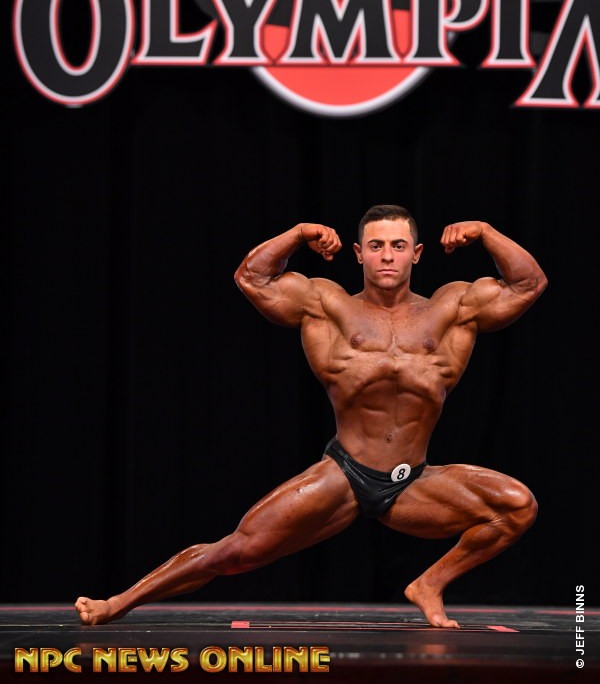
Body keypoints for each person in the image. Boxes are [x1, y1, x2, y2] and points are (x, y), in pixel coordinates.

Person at [75, 205, 547, 628]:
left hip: (413, 482)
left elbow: (529, 284)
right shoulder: (327, 304)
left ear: (416, 254)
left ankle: (429, 584)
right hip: (344, 474)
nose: (387, 256)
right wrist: (298, 234)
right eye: (376, 246)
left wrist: (486, 232)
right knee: (235, 552)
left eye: (398, 246)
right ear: (359, 254)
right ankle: (118, 602)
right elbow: (253, 277)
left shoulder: (453, 308)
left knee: (517, 506)